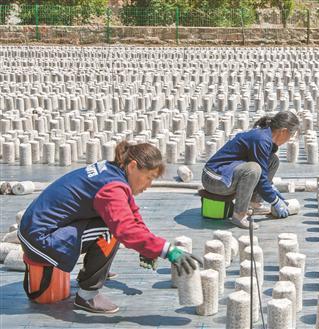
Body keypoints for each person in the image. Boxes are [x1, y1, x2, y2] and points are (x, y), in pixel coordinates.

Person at [18, 141, 200, 314]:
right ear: (132, 166)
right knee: (110, 230)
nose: (148, 185)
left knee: (113, 223)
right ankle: (87, 295)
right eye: (148, 178)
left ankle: (96, 268)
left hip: (37, 230)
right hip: (39, 239)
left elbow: (132, 213)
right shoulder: (112, 188)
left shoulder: (112, 173)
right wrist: (166, 250)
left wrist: (149, 246)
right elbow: (126, 230)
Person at [202, 111, 300, 229]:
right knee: (253, 169)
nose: (289, 139)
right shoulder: (261, 139)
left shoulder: (266, 138)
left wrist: (271, 188)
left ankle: (253, 203)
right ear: (283, 131)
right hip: (213, 178)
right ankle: (239, 215)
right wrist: (274, 200)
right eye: (291, 135)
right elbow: (260, 175)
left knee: (273, 160)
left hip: (225, 174)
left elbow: (264, 171)